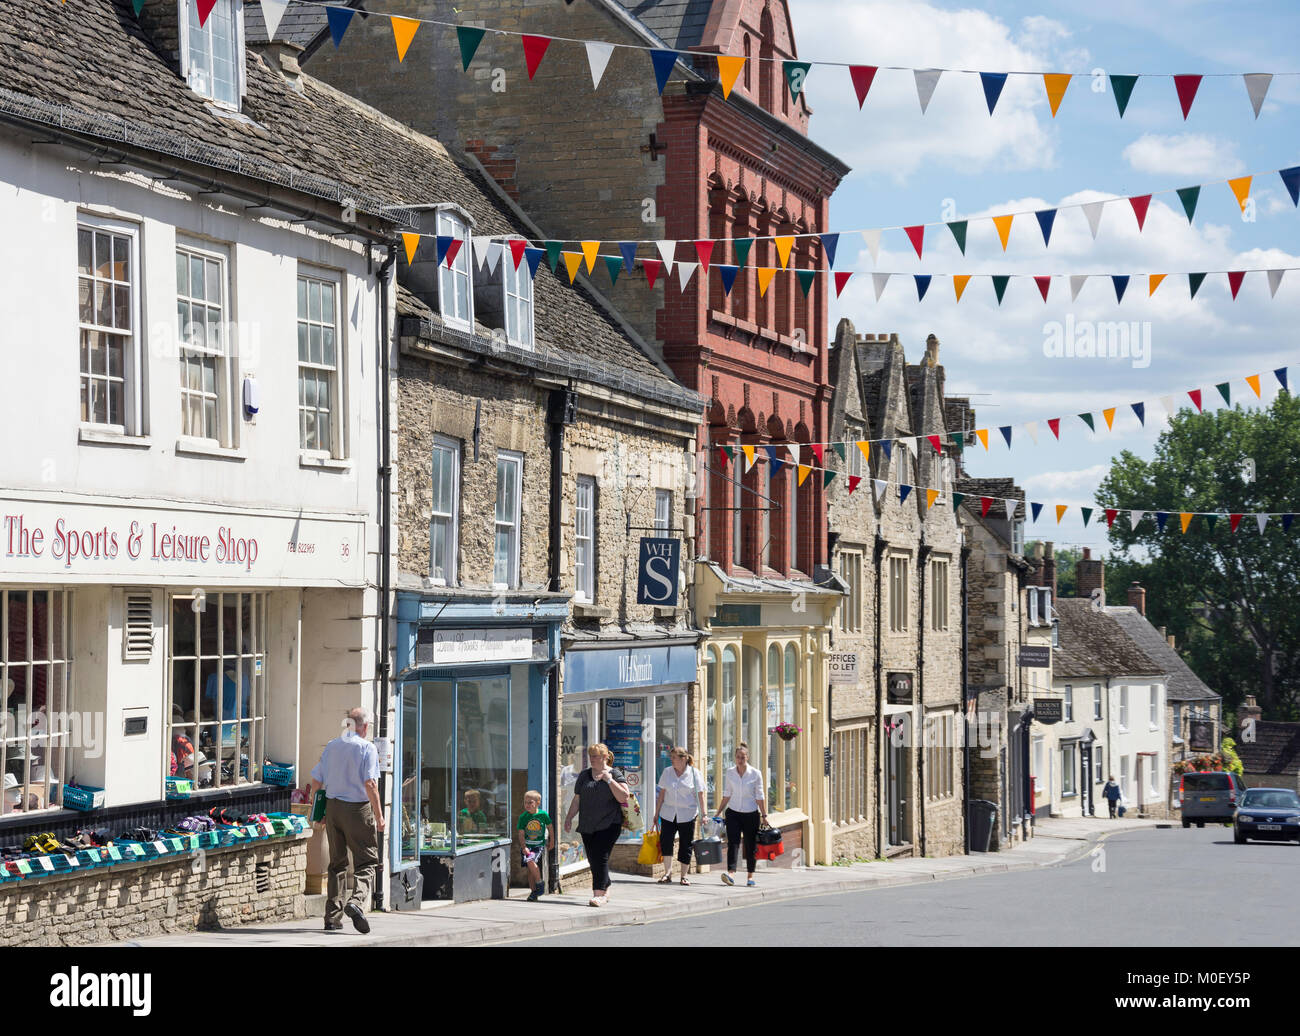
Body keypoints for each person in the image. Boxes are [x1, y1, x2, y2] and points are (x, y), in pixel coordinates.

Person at [308, 707, 385, 934]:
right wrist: (379, 816)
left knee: (337, 863)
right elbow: (370, 784)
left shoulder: (332, 745)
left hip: (332, 808)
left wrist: (318, 811)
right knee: (368, 861)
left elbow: (315, 781)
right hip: (357, 810)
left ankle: (332, 917)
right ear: (365, 726)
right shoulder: (367, 748)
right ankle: (356, 902)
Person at [563, 742, 630, 907]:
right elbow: (577, 799)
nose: (592, 759)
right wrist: (569, 817)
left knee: (600, 856)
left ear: (605, 757)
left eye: (596, 756)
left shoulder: (615, 774)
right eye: (591, 756)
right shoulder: (585, 775)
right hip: (588, 824)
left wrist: (609, 781)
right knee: (593, 859)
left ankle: (598, 894)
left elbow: (624, 797)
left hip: (609, 823)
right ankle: (606, 885)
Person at [652, 747, 706, 885]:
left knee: (686, 844)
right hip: (668, 813)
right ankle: (667, 873)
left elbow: (700, 795)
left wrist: (704, 815)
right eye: (671, 758)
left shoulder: (694, 773)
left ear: (683, 759)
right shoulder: (667, 772)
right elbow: (662, 794)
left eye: (674, 758)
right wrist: (656, 813)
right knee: (666, 842)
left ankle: (683, 876)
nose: (672, 760)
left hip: (687, 814)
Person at [716, 742, 766, 887]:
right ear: (735, 758)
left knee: (750, 846)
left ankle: (750, 876)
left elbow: (760, 796)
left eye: (743, 757)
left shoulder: (755, 774)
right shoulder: (730, 772)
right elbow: (727, 793)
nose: (740, 759)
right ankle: (731, 874)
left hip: (751, 814)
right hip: (733, 813)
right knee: (733, 843)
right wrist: (719, 812)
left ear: (747, 757)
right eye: (738, 757)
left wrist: (764, 815)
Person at [516, 789, 554, 901]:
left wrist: (552, 841)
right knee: (530, 870)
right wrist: (524, 847)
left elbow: (550, 827)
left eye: (530, 802)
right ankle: (534, 892)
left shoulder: (543, 815)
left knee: (530, 861)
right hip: (527, 846)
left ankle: (539, 882)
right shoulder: (523, 817)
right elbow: (521, 834)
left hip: (538, 845)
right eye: (525, 802)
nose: (527, 805)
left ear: (538, 803)